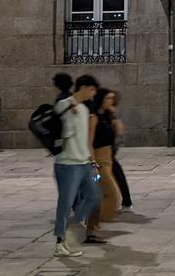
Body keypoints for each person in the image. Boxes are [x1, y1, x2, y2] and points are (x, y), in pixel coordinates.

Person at [53, 75, 102, 257]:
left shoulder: (83, 109)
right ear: (83, 87)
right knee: (65, 203)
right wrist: (69, 110)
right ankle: (60, 242)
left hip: (84, 164)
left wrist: (92, 162)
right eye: (92, 89)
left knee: (94, 194)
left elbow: (84, 140)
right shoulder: (64, 105)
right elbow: (59, 120)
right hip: (67, 164)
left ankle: (72, 225)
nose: (93, 94)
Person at [85, 88, 122, 242]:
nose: (111, 101)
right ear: (101, 99)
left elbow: (119, 132)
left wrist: (113, 115)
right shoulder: (94, 117)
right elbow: (89, 141)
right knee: (112, 193)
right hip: (98, 163)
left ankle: (92, 229)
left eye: (112, 98)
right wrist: (92, 163)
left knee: (98, 195)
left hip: (107, 160)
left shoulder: (107, 117)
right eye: (108, 98)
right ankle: (93, 224)